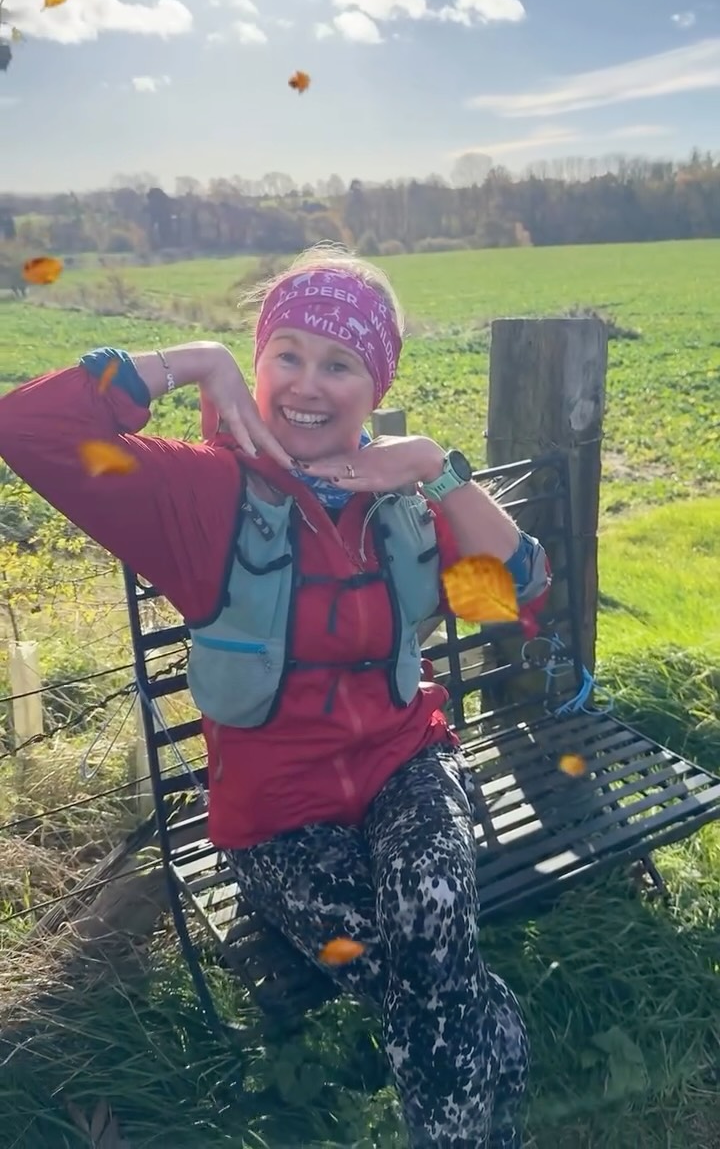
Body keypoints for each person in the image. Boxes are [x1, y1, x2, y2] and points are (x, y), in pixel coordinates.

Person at [0, 244, 550, 1148]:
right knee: (427, 972)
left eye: (339, 364)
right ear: (256, 365)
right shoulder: (203, 496)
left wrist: (434, 469)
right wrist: (193, 360)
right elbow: (28, 429)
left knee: (429, 924)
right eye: (285, 353)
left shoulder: (399, 499)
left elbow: (522, 588)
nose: (306, 384)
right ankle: (502, 1111)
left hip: (408, 766)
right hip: (278, 816)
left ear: (374, 386)